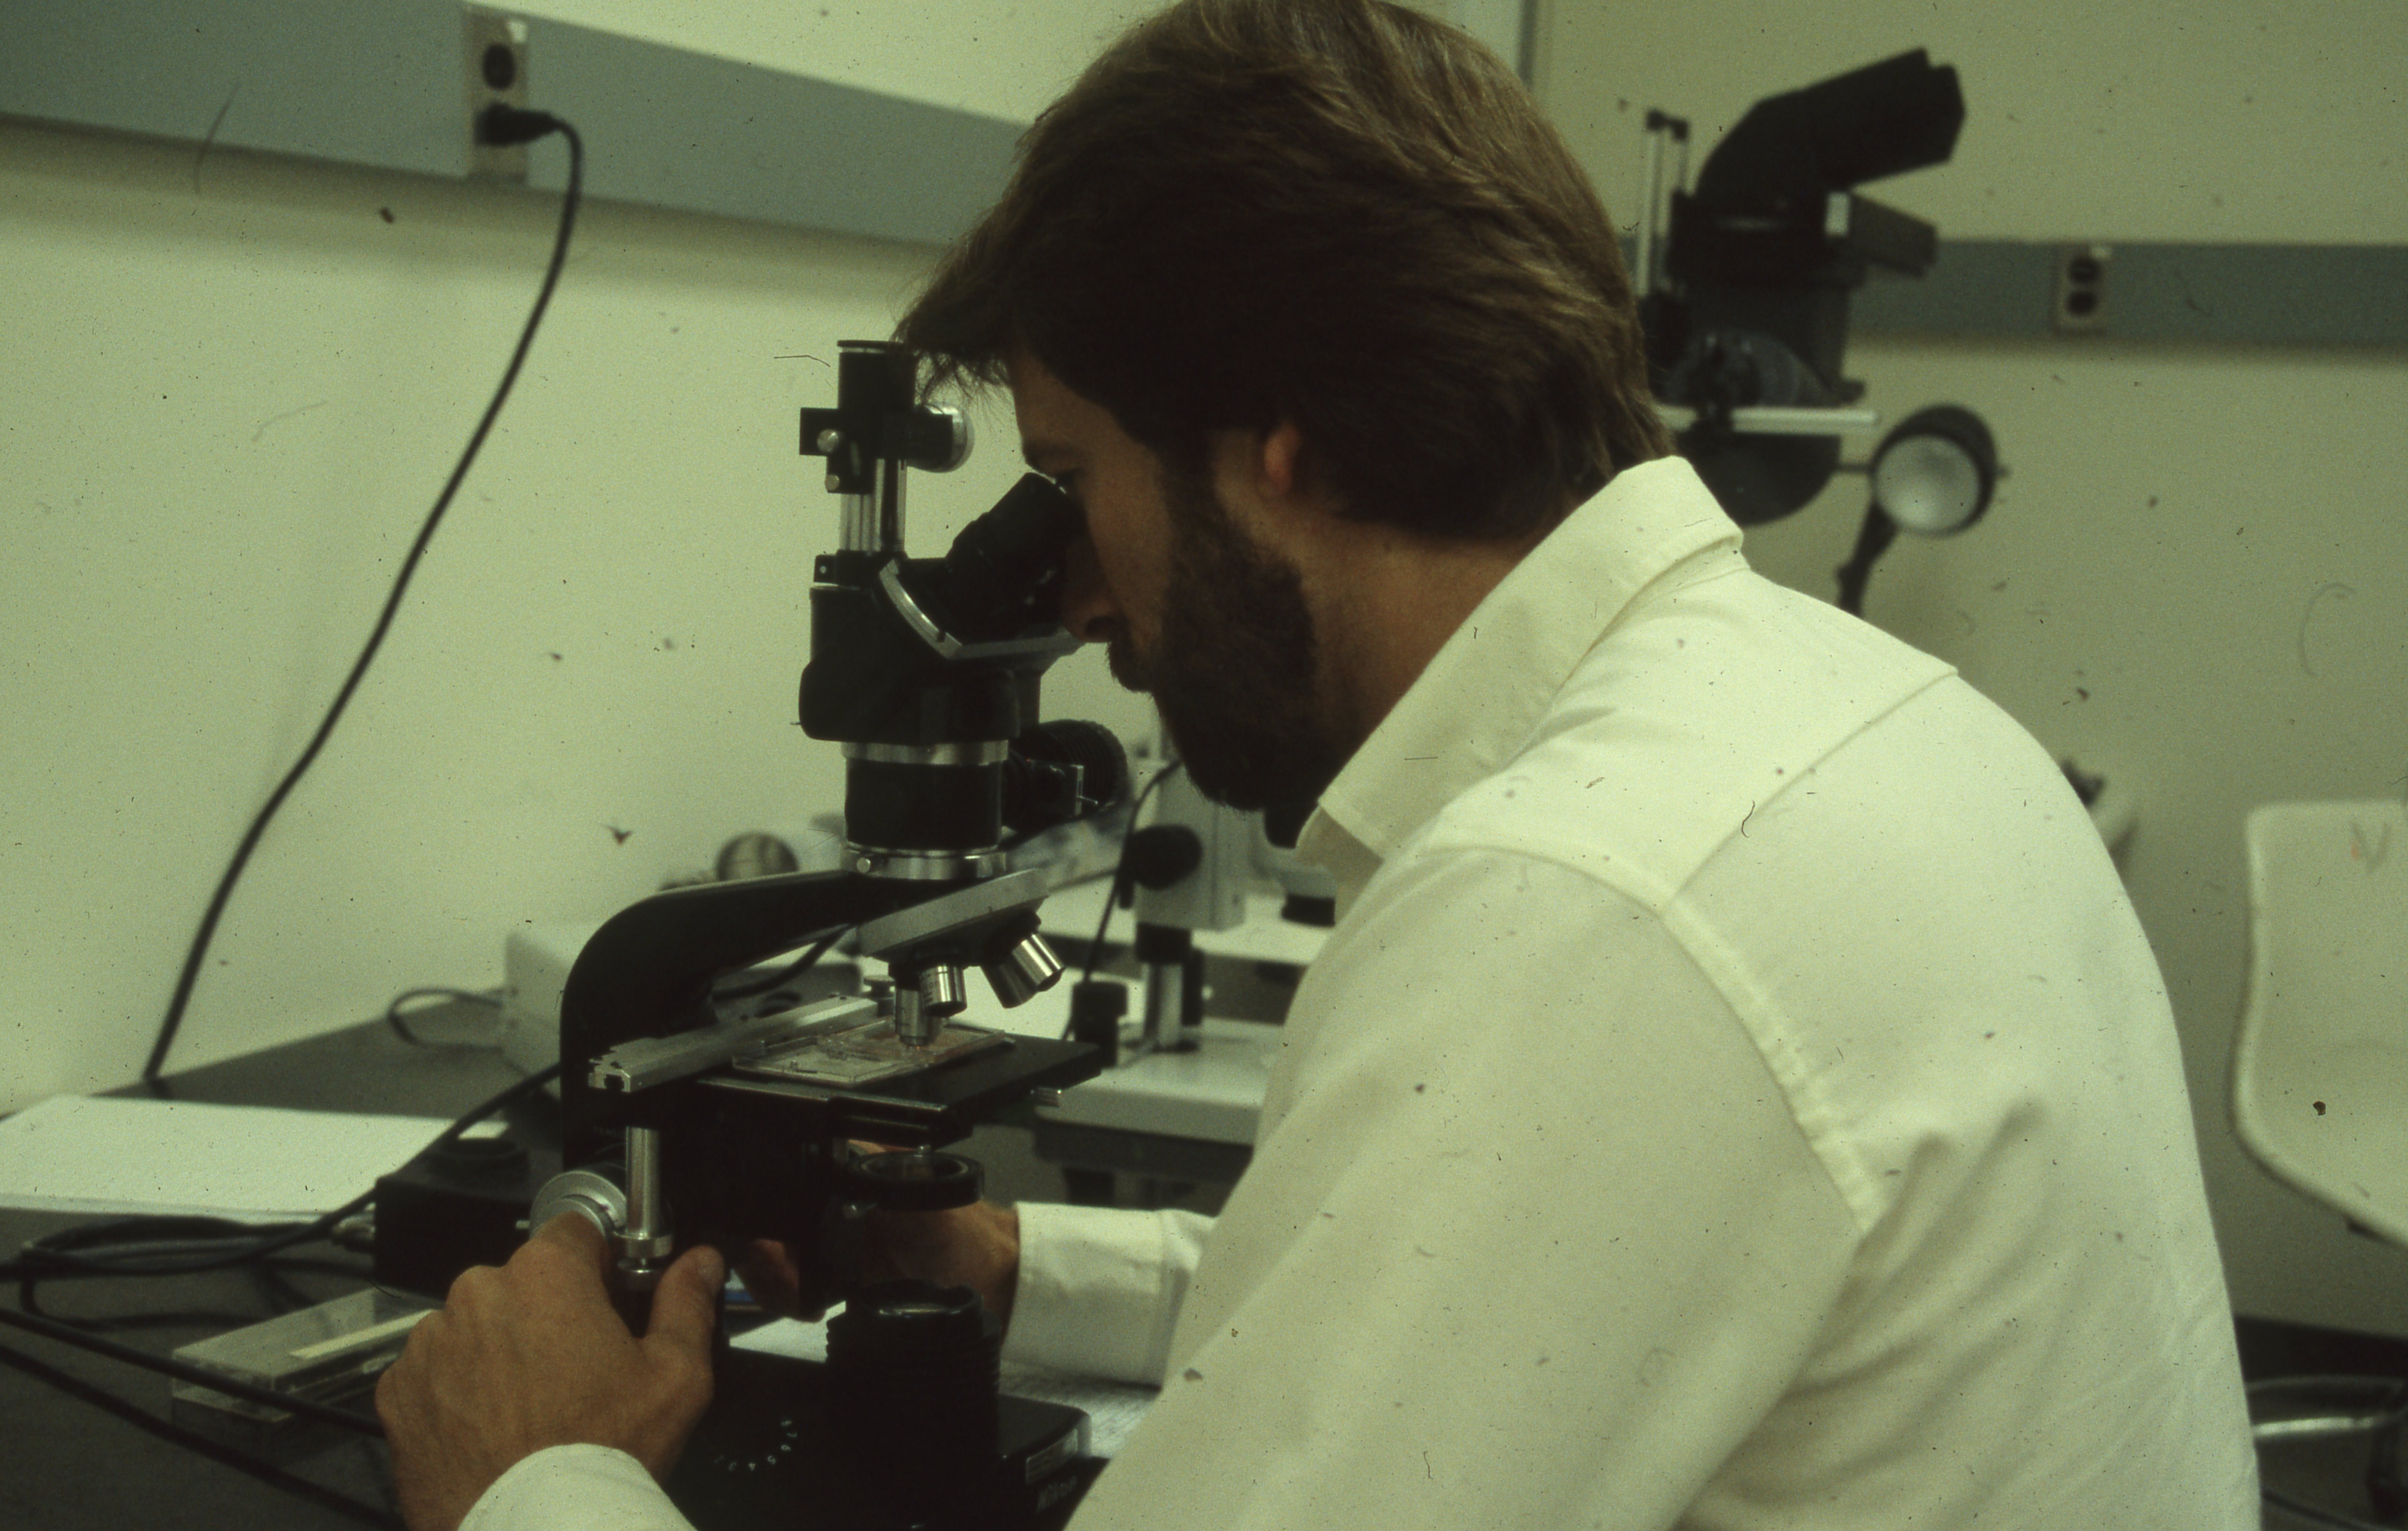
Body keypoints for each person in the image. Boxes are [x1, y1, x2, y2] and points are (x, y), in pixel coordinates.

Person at [377, 2, 2262, 1527]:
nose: (1076, 592)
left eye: (1076, 477)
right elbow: (1490, 1321)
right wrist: (1011, 1263)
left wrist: (534, 1479)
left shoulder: (1585, 897)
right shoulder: (1864, 709)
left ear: (1277, 441)